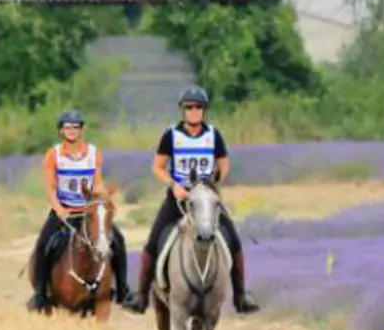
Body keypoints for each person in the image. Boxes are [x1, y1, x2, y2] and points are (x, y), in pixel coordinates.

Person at [120, 85, 260, 315]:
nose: (194, 111)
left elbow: (224, 165)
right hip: (179, 197)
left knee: (233, 239)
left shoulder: (213, 135)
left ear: (204, 110)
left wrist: (214, 183)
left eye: (198, 107)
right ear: (183, 110)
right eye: (189, 107)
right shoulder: (171, 136)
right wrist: (173, 186)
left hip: (206, 197)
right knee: (154, 240)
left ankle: (241, 295)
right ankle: (141, 296)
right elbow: (157, 167)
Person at [26, 109, 134, 312]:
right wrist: (58, 209)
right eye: (68, 127)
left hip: (89, 211)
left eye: (76, 127)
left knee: (118, 240)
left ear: (82, 129)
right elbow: (49, 186)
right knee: (44, 244)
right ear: (61, 131)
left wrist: (104, 201)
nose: (72, 130)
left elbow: (98, 183)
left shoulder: (94, 153)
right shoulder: (53, 154)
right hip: (64, 211)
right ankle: (41, 294)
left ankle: (123, 290)